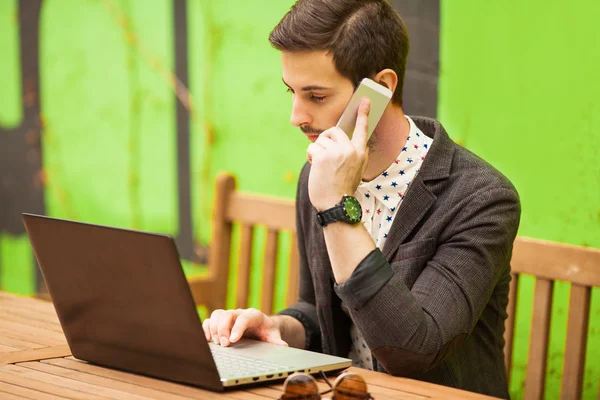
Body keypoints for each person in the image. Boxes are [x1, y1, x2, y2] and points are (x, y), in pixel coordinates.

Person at [202, 0, 520, 397]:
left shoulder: (480, 198)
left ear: (382, 88)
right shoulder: (319, 175)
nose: (296, 116)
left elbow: (412, 350)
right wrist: (275, 326)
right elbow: (322, 313)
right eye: (293, 93)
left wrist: (337, 207)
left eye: (315, 96)